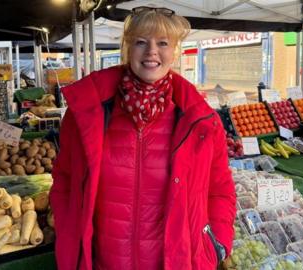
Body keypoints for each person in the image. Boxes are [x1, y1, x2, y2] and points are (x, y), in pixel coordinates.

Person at [50, 6, 236, 270]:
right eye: (141, 42)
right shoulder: (86, 113)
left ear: (174, 52)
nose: (151, 52)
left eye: (162, 43)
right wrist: (70, 229)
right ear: (127, 48)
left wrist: (216, 244)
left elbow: (220, 190)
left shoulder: (202, 123)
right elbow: (64, 179)